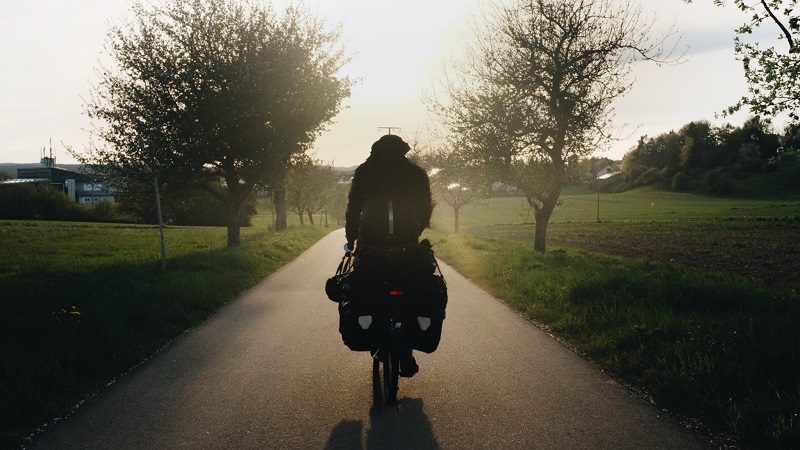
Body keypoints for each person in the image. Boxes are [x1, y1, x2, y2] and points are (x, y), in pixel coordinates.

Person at [344, 134, 433, 377]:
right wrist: (417, 230)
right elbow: (426, 206)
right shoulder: (416, 173)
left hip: (371, 241)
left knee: (368, 286)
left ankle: (374, 336)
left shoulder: (364, 171)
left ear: (375, 150)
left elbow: (354, 206)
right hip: (406, 240)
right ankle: (408, 351)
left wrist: (351, 235)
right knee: (413, 289)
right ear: (403, 151)